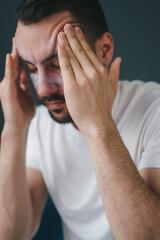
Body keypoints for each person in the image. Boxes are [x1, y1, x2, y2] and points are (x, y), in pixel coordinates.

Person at [0, 0, 160, 239]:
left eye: (57, 64)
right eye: (32, 68)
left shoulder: (154, 109)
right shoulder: (40, 125)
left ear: (104, 50)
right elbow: (12, 233)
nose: (43, 89)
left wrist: (97, 124)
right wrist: (15, 127)